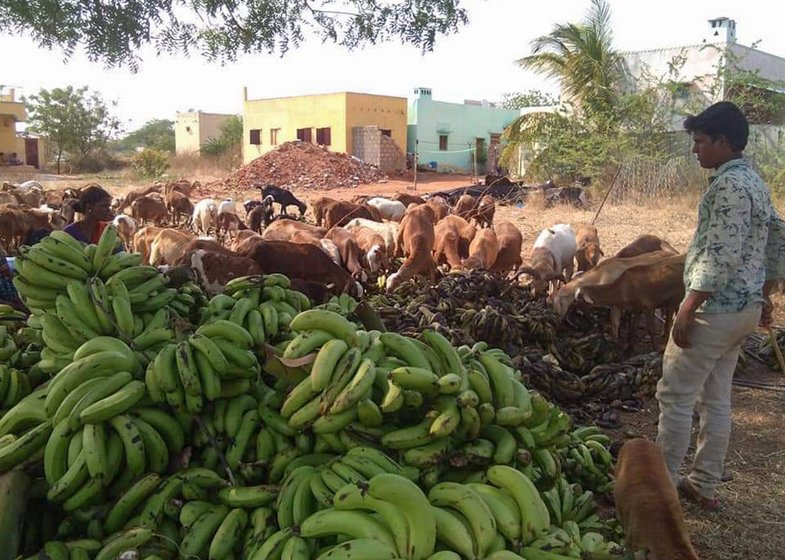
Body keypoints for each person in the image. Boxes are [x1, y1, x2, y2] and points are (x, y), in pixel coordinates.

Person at [656, 101, 785, 511]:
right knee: (716, 396)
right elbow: (776, 239)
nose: (695, 150)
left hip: (715, 311)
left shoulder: (728, 186)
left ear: (723, 142)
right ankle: (703, 483)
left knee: (675, 394)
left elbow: (721, 254)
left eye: (700, 142)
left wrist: (689, 306)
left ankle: (663, 488)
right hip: (742, 310)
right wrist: (764, 294)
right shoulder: (755, 182)